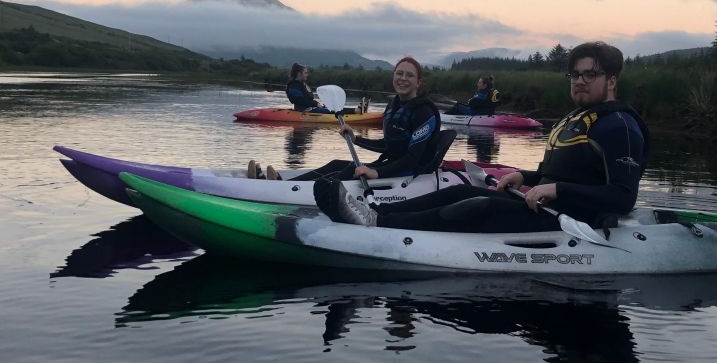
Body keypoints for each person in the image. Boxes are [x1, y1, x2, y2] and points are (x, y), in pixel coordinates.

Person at [316, 41, 650, 233]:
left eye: (589, 74)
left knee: (477, 204)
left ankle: (380, 224)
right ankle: (378, 216)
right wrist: (525, 177)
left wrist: (556, 189)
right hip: (545, 203)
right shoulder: (577, 119)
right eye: (574, 74)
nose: (578, 81)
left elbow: (622, 198)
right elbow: (557, 177)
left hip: (573, 220)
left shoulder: (619, 126)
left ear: (611, 80)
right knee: (463, 188)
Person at [254, 56, 441, 181]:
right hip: (391, 166)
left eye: (409, 75)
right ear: (393, 76)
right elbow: (388, 145)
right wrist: (356, 139)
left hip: (410, 174)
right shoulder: (394, 106)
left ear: (418, 82)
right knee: (336, 164)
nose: (403, 78)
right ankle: (281, 182)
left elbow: (412, 158)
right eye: (399, 73)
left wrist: (376, 172)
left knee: (345, 172)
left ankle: (280, 187)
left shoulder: (424, 112)